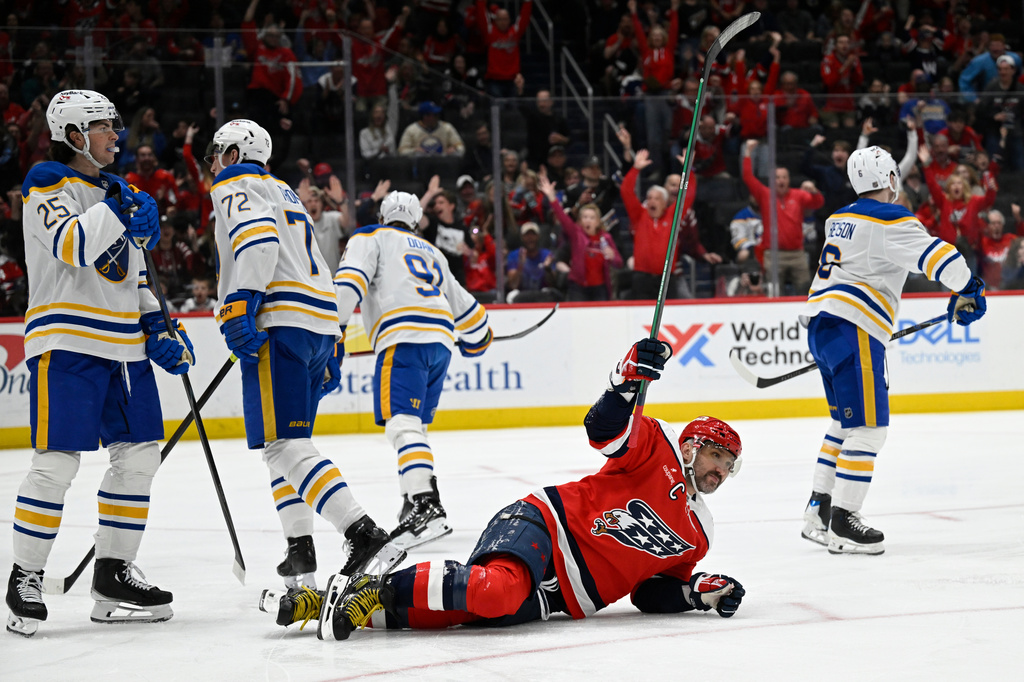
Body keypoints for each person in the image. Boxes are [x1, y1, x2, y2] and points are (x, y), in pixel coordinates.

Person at [259, 338, 746, 641]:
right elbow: (603, 430)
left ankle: (327, 601)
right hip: (546, 527)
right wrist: (624, 381)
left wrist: (693, 593)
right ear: (692, 446)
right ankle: (369, 588)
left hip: (561, 599)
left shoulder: (697, 534)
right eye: (716, 457)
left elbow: (648, 593)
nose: (720, 471)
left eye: (728, 466)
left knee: (469, 611)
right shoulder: (656, 445)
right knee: (496, 592)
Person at [7, 90, 193, 637]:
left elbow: (131, 275)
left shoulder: (117, 191)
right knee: (57, 462)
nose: (117, 135)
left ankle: (113, 574)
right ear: (73, 135)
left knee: (139, 457)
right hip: (67, 341)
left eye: (115, 125)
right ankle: (25, 576)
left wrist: (157, 323)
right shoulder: (47, 181)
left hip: (126, 348)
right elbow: (73, 246)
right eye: (104, 127)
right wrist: (120, 209)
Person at [207, 119, 406, 591]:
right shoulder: (287, 193)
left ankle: (362, 532)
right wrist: (333, 336)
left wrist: (241, 305)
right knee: (289, 447)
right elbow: (315, 265)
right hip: (316, 325)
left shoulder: (236, 183)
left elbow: (256, 241)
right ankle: (300, 548)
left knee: (281, 445)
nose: (213, 163)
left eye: (218, 152)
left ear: (234, 154)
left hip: (280, 324)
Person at [798, 146, 988, 555]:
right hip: (854, 328)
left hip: (821, 325)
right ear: (890, 180)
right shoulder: (889, 217)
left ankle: (820, 507)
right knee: (869, 429)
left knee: (845, 425)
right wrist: (969, 287)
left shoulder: (838, 219)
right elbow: (938, 256)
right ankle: (844, 522)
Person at [333, 191, 493, 550]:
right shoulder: (432, 251)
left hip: (403, 337)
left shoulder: (370, 237)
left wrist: (334, 328)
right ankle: (413, 502)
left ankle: (425, 504)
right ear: (418, 220)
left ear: (382, 213)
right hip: (440, 343)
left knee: (402, 425)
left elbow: (350, 283)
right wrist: (478, 337)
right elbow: (470, 313)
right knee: (415, 426)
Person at [742, 140, 823, 295]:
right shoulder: (765, 194)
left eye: (784, 177)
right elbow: (748, 177)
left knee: (806, 291)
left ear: (789, 179)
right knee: (774, 293)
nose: (781, 180)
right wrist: (747, 153)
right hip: (773, 254)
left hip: (797, 253)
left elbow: (818, 203)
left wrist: (814, 191)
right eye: (778, 177)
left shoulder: (798, 195)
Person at [621, 148, 697, 300]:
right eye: (649, 198)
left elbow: (688, 194)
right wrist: (635, 169)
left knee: (668, 317)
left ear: (665, 202)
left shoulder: (673, 216)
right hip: (642, 279)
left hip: (667, 279)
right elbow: (626, 191)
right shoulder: (639, 216)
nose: (652, 201)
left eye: (656, 198)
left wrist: (688, 171)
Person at [540, 173, 622, 301]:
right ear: (580, 220)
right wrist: (552, 197)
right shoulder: (576, 234)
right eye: (585, 217)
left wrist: (612, 256)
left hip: (600, 287)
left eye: (591, 217)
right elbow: (563, 217)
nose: (588, 221)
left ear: (598, 221)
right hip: (578, 287)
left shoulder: (605, 238)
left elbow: (618, 262)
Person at [398, 102, 465, 157]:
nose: (437, 117)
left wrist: (455, 149)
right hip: (420, 166)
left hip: (443, 164)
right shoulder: (411, 129)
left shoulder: (447, 127)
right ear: (425, 116)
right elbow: (401, 152)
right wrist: (414, 151)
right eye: (434, 115)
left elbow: (461, 147)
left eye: (437, 114)